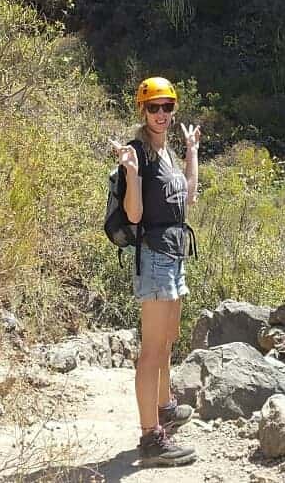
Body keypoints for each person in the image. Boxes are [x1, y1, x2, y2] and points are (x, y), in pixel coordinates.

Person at [111, 76, 201, 467]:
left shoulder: (165, 152)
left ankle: (163, 407)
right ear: (142, 110)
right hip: (154, 257)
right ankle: (150, 437)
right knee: (151, 351)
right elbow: (133, 214)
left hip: (174, 254)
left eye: (167, 106)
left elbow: (189, 196)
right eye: (154, 107)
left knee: (168, 340)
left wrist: (192, 151)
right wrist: (131, 174)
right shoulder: (139, 153)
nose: (161, 114)